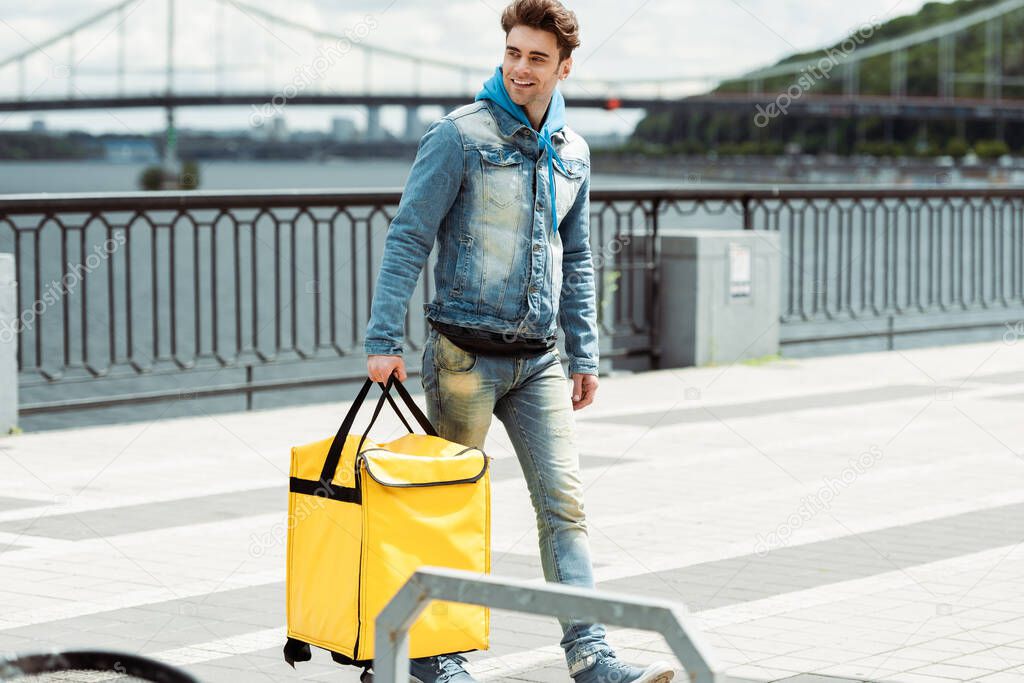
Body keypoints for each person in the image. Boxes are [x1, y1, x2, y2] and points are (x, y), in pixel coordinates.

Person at [364, 2, 675, 681]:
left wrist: (585, 351)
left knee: (564, 504)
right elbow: (409, 236)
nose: (520, 68)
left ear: (565, 67)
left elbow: (580, 255)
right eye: (512, 52)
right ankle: (431, 655)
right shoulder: (458, 137)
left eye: (536, 57)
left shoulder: (574, 152)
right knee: (447, 510)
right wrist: (383, 338)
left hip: (539, 362)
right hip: (462, 359)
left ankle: (593, 658)